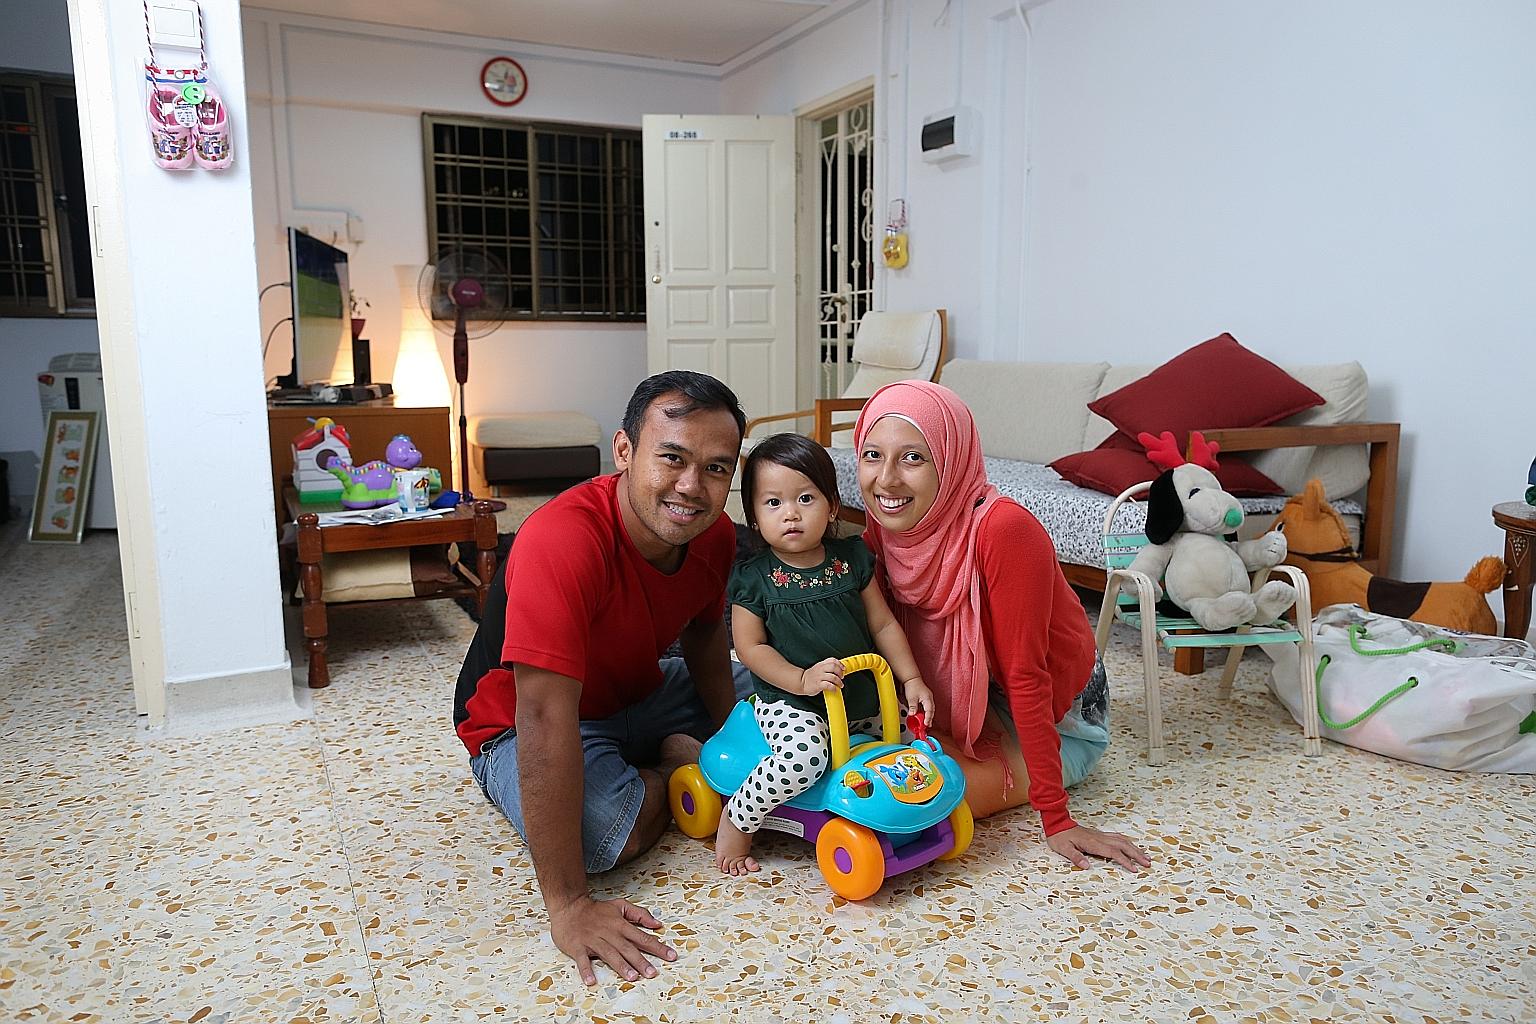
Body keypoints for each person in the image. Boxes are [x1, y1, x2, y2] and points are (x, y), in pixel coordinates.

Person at [454, 370, 753, 986]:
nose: (691, 487)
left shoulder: (715, 534)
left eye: (717, 468)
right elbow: (541, 716)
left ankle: (670, 752)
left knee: (780, 698)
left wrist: (732, 742)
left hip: (638, 687)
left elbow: (702, 634)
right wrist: (567, 907)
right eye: (671, 458)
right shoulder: (561, 540)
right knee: (602, 838)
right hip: (517, 720)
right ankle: (672, 765)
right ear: (624, 452)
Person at [852, 381, 1152, 872]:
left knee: (911, 806)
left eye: (912, 459)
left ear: (951, 460)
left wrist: (1057, 820)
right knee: (860, 774)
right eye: (871, 454)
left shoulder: (1003, 531)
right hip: (973, 698)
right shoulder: (884, 529)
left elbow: (1028, 675)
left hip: (1060, 715)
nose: (886, 481)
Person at [715, 433, 935, 876]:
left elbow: (884, 624)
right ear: (754, 515)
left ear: (832, 505)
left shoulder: (852, 558)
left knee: (915, 748)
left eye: (805, 498)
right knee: (806, 757)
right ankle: (739, 818)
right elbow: (749, 647)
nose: (791, 513)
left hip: (860, 694)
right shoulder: (753, 578)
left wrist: (910, 679)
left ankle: (906, 818)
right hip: (791, 701)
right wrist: (800, 680)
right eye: (773, 503)